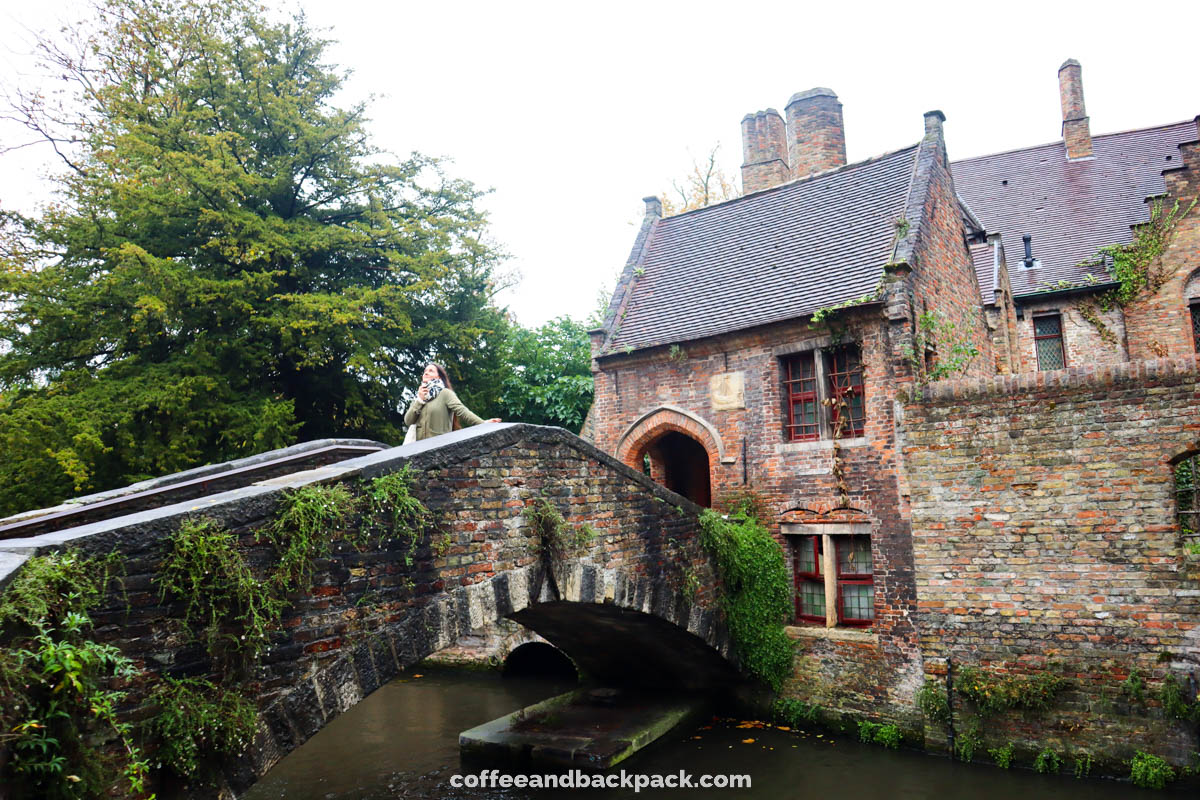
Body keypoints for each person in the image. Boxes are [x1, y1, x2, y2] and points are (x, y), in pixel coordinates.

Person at [403, 363, 500, 442]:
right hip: (417, 451)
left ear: (439, 377)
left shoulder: (445, 394)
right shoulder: (418, 398)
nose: (426, 373)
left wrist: (483, 423)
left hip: (439, 449)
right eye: (425, 371)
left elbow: (462, 411)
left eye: (431, 371)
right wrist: (420, 400)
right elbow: (408, 421)